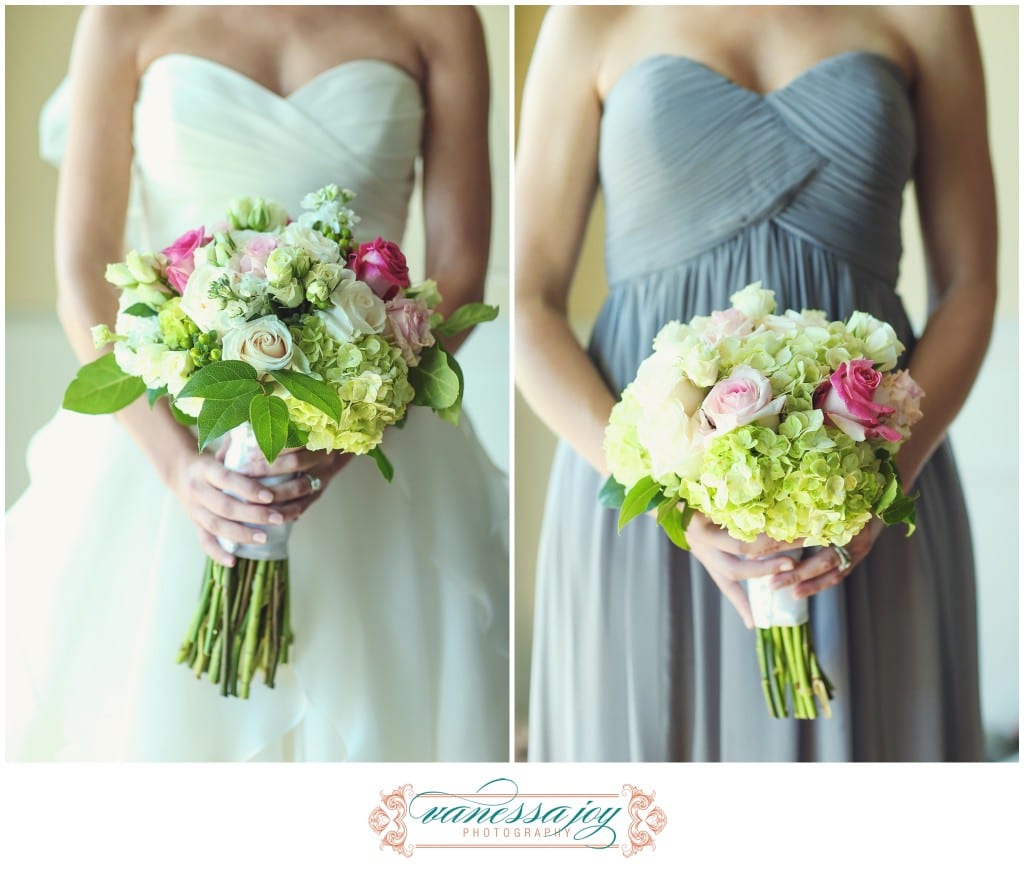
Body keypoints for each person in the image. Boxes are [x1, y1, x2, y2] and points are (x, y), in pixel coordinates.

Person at [7, 5, 508, 762]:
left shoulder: (436, 19)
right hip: (164, 427)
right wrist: (181, 467)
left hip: (376, 433)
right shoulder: (125, 17)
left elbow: (461, 262)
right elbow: (83, 274)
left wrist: (347, 427)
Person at [516, 5, 994, 762]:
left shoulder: (927, 13)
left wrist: (878, 484)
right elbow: (527, 300)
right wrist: (665, 496)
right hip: (646, 504)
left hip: (867, 493)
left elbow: (969, 287)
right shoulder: (590, 16)